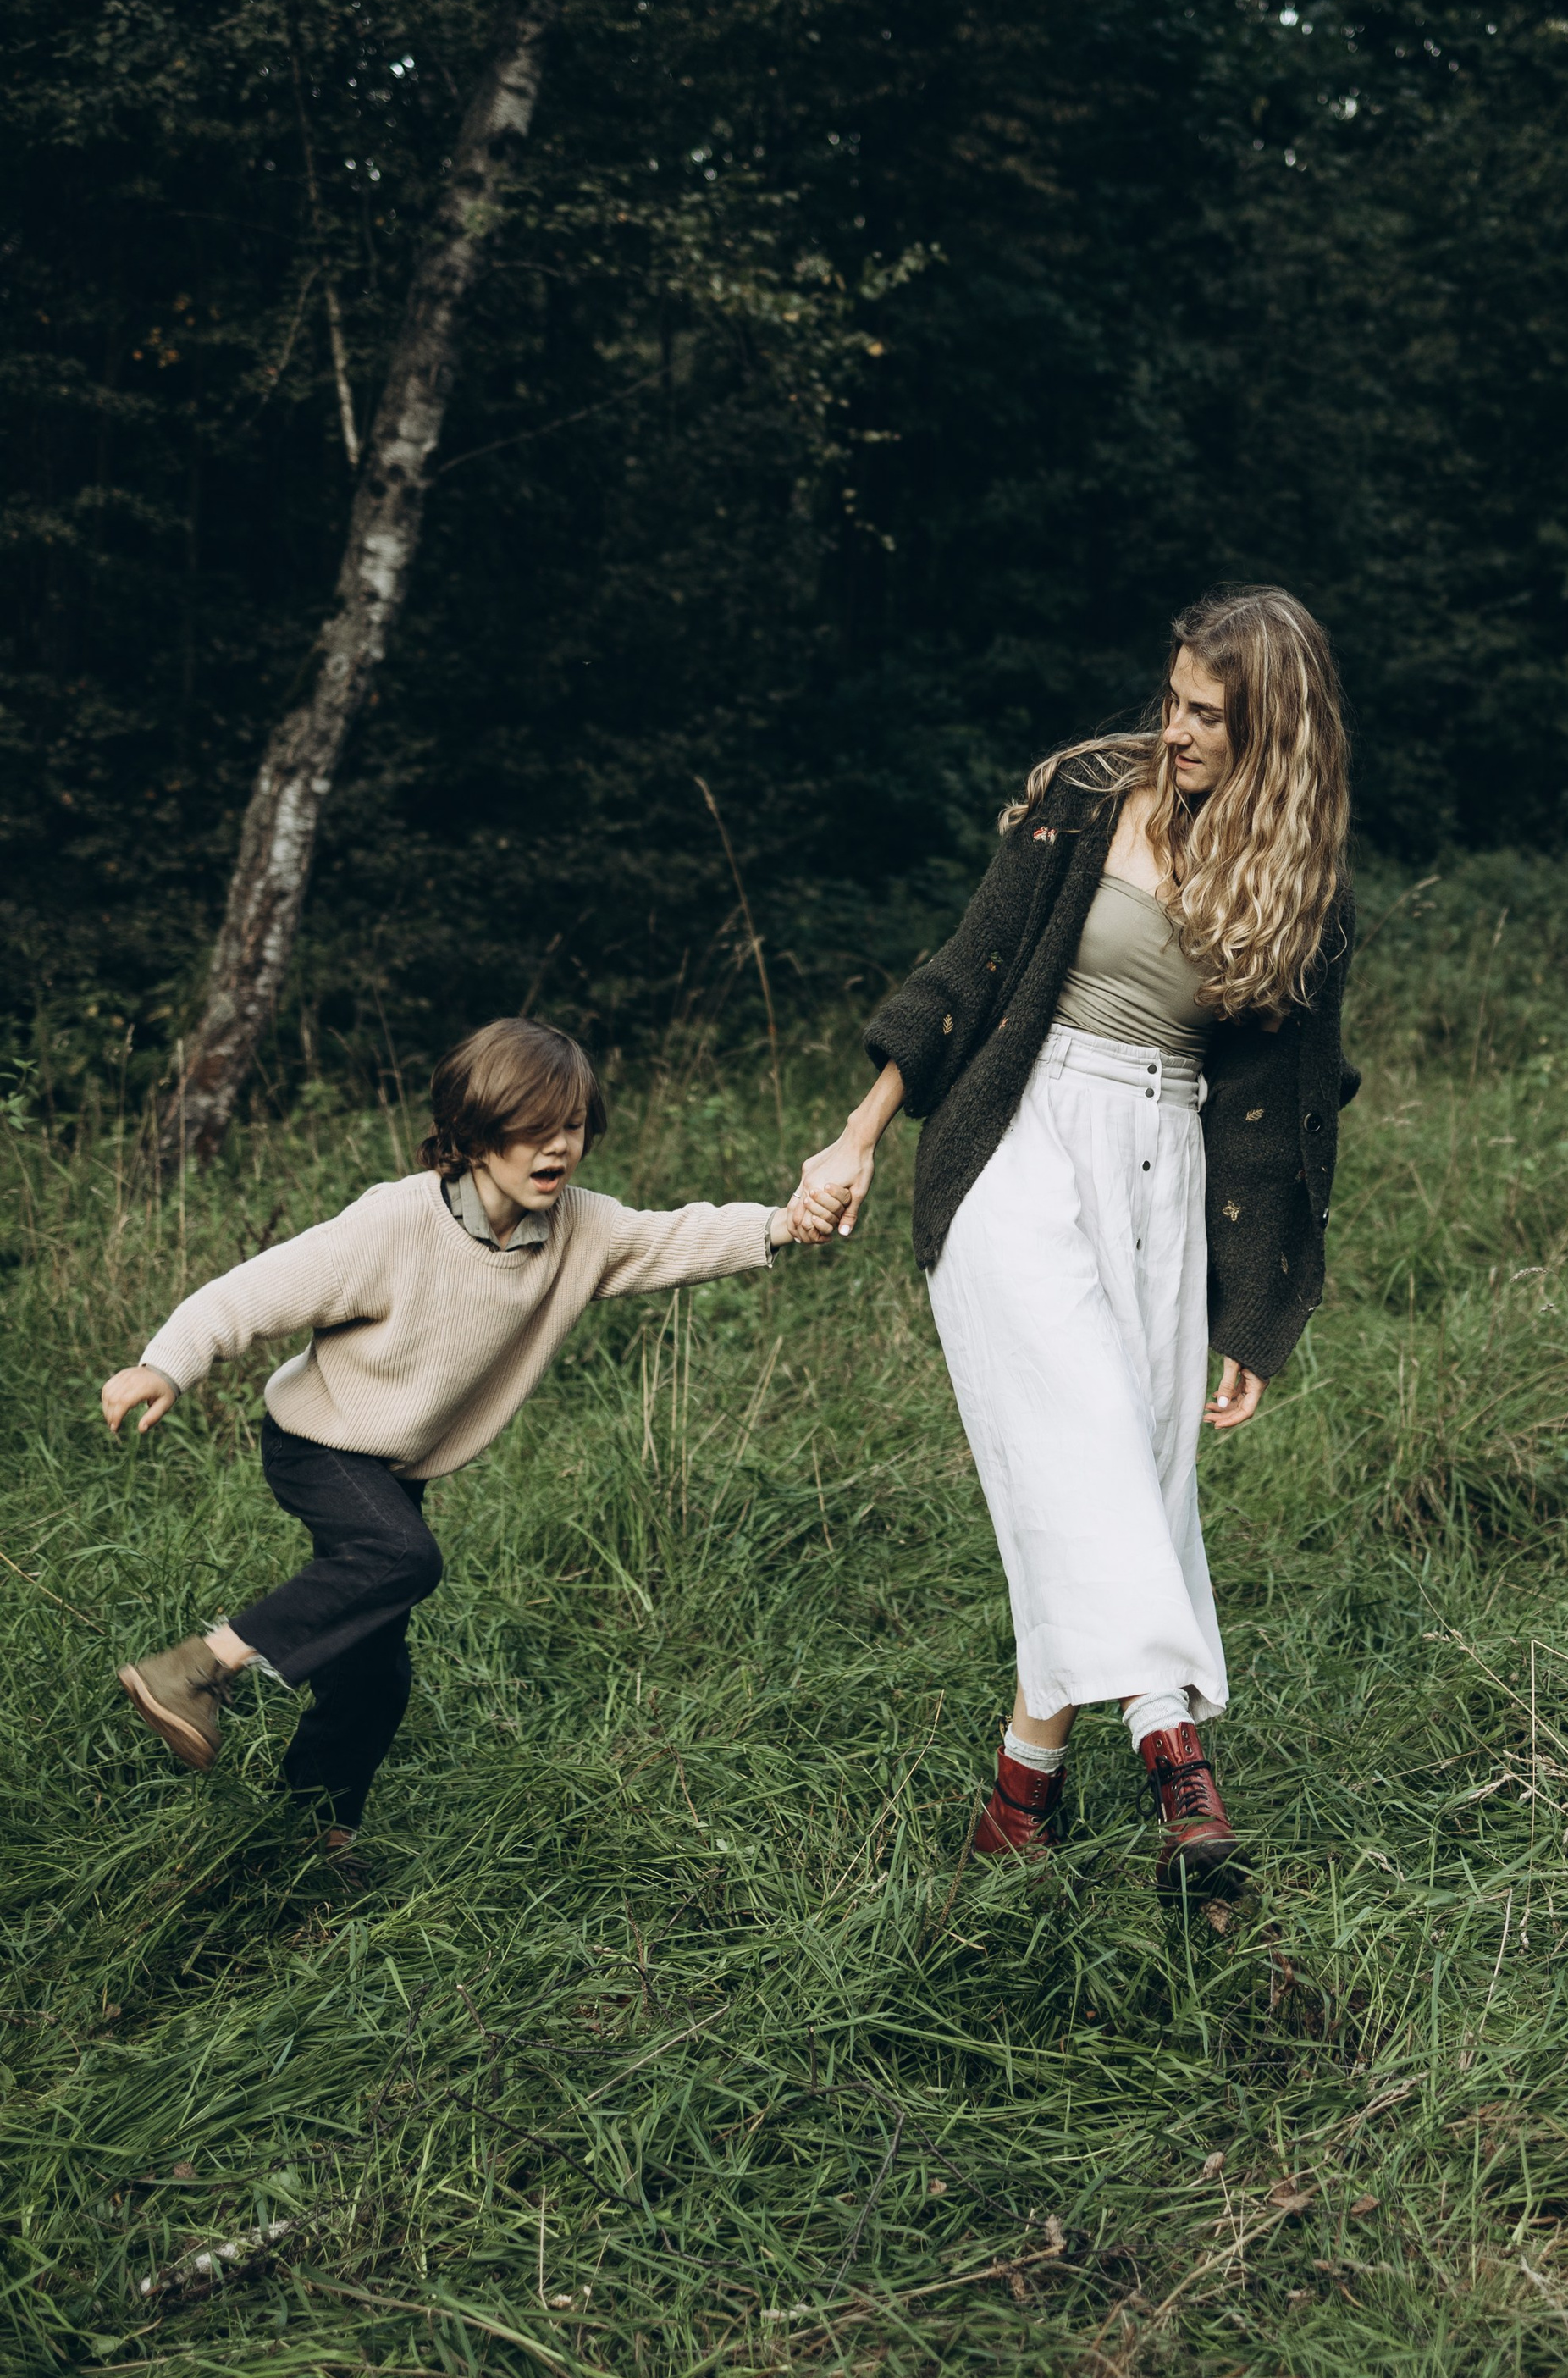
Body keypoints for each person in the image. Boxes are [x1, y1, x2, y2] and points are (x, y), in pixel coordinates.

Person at [793, 587, 1356, 1884]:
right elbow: (965, 972)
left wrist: (1259, 1310)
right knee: (1086, 1446)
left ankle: (1022, 1793)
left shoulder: (1300, 889)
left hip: (1165, 1174)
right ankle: (1178, 1762)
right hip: (1017, 1141)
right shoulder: (1087, 795)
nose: (1177, 732)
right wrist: (860, 1131)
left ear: (1275, 734)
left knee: (1128, 1477)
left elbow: (1289, 1119)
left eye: (1210, 717)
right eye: (1172, 699)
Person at [102, 1015, 826, 1866]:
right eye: (534, 1130)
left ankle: (312, 1829)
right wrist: (166, 1366)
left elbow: (674, 1237)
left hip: (395, 1466)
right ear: (476, 1134)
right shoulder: (396, 1224)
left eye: (574, 1127)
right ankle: (196, 1668)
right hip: (318, 1442)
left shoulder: (578, 1232)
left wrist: (780, 1225)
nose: (559, 1148)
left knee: (375, 1669)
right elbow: (255, 1292)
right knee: (401, 1557)